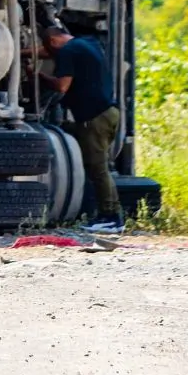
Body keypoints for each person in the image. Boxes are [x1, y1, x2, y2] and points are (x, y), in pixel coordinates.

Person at [38, 26, 123, 233]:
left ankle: (111, 218)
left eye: (51, 51)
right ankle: (108, 215)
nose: (53, 56)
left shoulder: (67, 51)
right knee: (100, 166)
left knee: (98, 168)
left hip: (93, 118)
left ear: (53, 41)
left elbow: (62, 86)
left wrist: (39, 75)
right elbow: (47, 50)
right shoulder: (87, 43)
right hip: (109, 113)